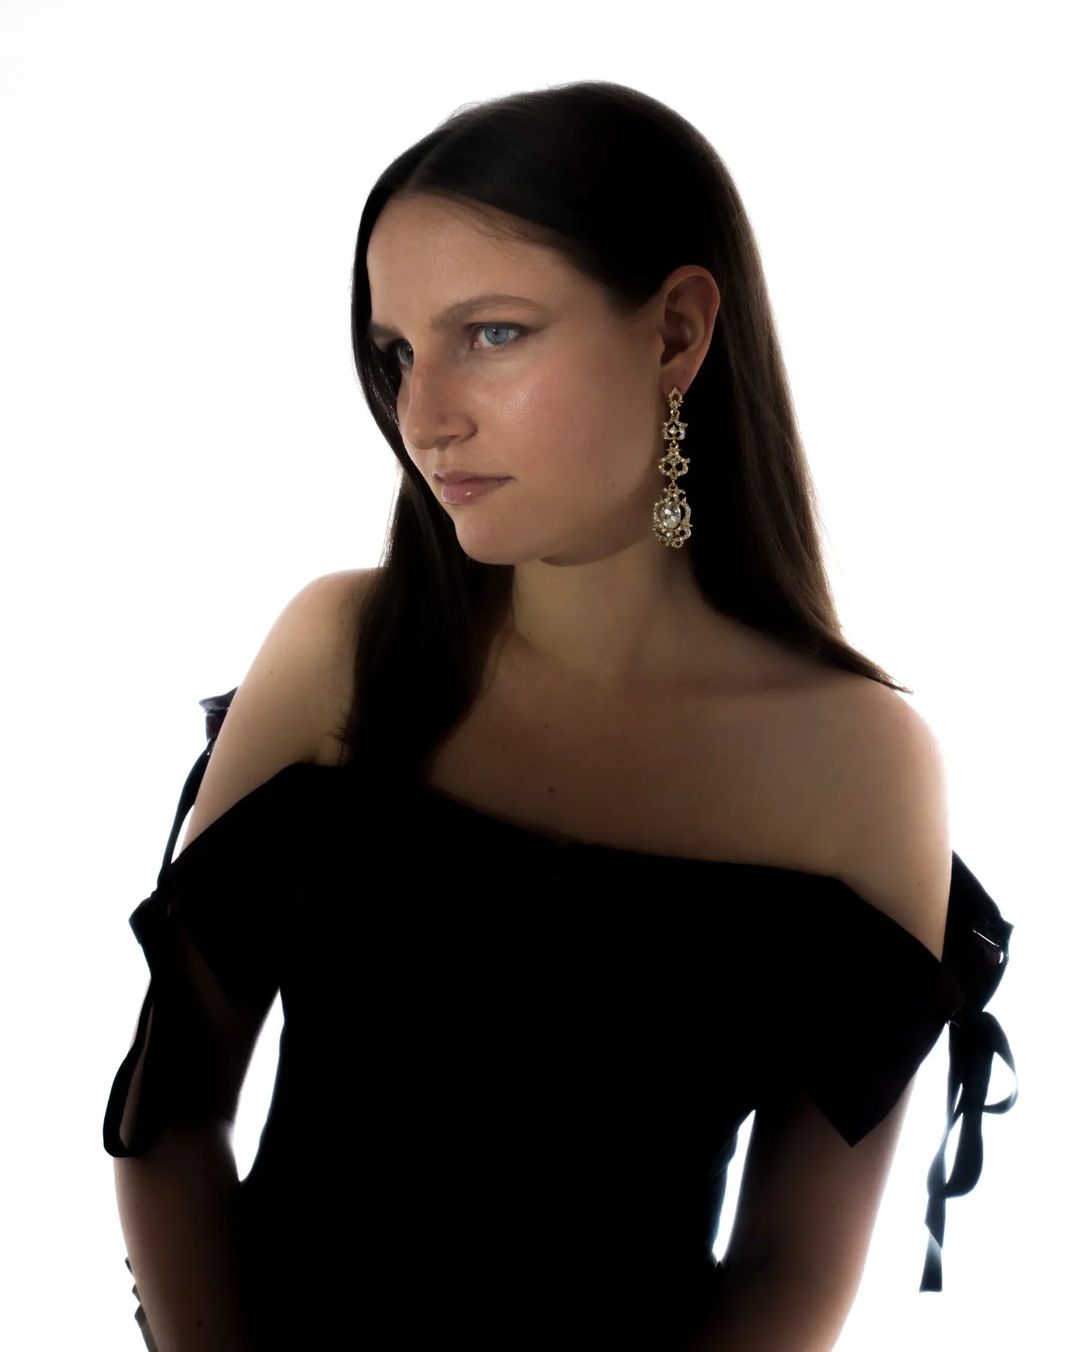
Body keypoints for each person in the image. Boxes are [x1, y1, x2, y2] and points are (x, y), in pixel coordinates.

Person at [102, 80, 1017, 1351]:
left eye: (491, 333)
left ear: (676, 333)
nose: (424, 415)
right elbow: (169, 1117)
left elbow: (793, 1271)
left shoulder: (861, 764)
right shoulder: (343, 651)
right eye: (398, 352)